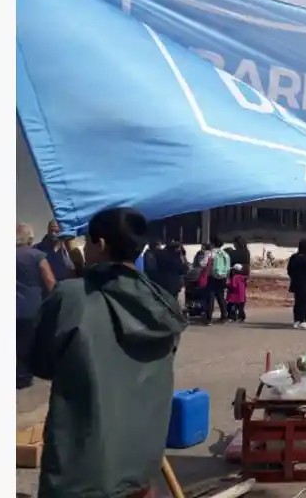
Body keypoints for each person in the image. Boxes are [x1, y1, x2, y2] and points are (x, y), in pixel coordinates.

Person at [27, 207, 187, 498]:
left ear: (100, 244)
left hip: (82, 468)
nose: (84, 249)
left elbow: (41, 363)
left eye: (87, 242)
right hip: (140, 461)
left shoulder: (71, 296)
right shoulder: (162, 302)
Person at [17, 223, 58, 390]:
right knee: (31, 343)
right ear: (30, 238)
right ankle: (24, 377)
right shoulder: (37, 255)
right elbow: (49, 280)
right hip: (32, 307)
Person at [203, 237, 232, 323]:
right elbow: (228, 268)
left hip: (212, 277)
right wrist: (227, 278)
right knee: (220, 297)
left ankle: (209, 319)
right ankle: (224, 316)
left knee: (210, 297)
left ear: (213, 244)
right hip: (222, 277)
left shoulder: (210, 253)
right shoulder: (225, 254)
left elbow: (203, 264)